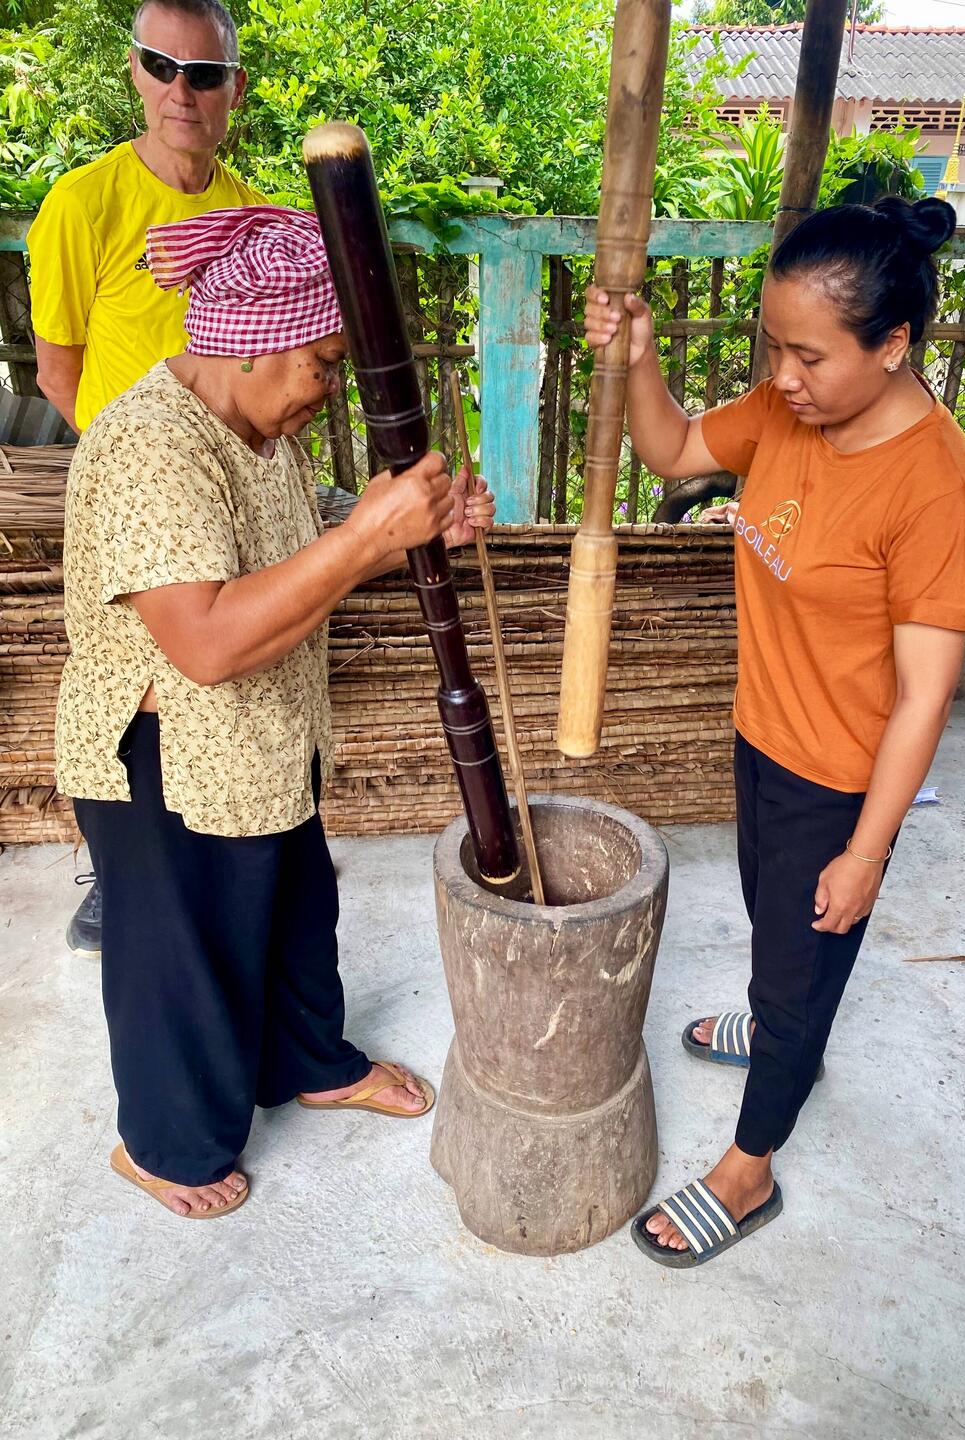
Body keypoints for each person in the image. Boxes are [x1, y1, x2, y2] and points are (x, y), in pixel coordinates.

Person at [54, 205, 496, 1218]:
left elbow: (316, 523)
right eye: (323, 365)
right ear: (253, 349)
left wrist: (411, 524)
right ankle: (163, 1148)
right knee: (184, 958)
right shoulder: (151, 449)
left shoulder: (253, 427)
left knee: (295, 914)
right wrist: (366, 540)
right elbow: (204, 644)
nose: (328, 389)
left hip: (261, 738)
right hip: (163, 757)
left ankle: (311, 1061)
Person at [584, 196, 965, 1268]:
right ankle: (781, 1039)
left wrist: (867, 851)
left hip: (841, 780)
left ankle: (750, 1168)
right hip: (762, 734)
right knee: (779, 945)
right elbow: (671, 449)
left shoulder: (937, 490)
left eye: (809, 353)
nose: (785, 373)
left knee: (805, 964)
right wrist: (639, 355)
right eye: (776, 346)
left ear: (895, 345)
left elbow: (923, 695)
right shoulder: (787, 413)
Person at [27, 0, 263, 957]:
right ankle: (116, 873)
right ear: (135, 71)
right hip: (131, 488)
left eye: (203, 74)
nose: (182, 90)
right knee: (125, 688)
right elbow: (57, 370)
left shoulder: (246, 204)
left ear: (231, 92)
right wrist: (137, 471)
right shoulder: (83, 205)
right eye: (164, 67)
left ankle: (232, 844)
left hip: (229, 478)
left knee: (220, 679)